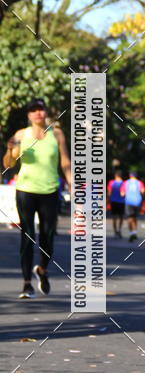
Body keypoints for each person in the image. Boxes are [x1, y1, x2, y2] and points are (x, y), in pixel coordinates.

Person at [2, 98, 71, 298]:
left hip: (50, 191)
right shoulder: (21, 135)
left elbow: (65, 160)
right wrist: (9, 148)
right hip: (26, 190)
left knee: (48, 236)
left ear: (45, 112)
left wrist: (72, 183)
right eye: (33, 110)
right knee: (27, 234)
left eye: (40, 109)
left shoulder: (56, 133)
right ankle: (26, 284)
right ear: (29, 115)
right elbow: (10, 162)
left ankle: (42, 268)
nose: (38, 113)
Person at [120, 170, 145, 242]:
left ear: (130, 175)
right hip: (137, 202)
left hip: (129, 201)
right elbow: (143, 191)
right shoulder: (140, 183)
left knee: (129, 217)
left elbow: (122, 193)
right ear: (136, 176)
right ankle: (134, 232)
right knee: (134, 217)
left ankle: (131, 232)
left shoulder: (126, 183)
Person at [107, 168, 125, 237]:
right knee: (121, 217)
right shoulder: (123, 183)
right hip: (121, 202)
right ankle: (119, 230)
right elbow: (123, 193)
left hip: (113, 201)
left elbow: (109, 193)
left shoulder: (111, 182)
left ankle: (115, 231)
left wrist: (108, 201)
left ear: (116, 176)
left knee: (114, 217)